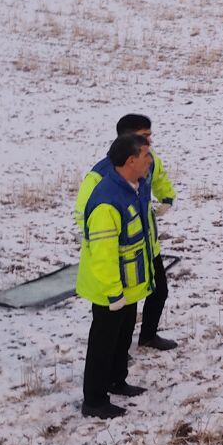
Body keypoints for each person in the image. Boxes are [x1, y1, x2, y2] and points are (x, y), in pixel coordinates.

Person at [74, 114, 179, 350]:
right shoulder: (99, 176)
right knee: (116, 315)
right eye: (144, 137)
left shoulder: (148, 161)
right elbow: (84, 214)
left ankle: (147, 336)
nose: (150, 143)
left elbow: (159, 178)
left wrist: (167, 198)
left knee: (158, 291)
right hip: (117, 257)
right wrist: (104, 240)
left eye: (150, 136)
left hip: (147, 246)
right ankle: (113, 361)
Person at [75, 134, 155, 419]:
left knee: (122, 337)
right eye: (146, 154)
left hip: (129, 286)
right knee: (103, 342)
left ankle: (116, 380)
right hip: (110, 288)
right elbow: (104, 253)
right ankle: (94, 400)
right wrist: (113, 292)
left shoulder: (135, 186)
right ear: (131, 160)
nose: (151, 160)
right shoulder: (107, 201)